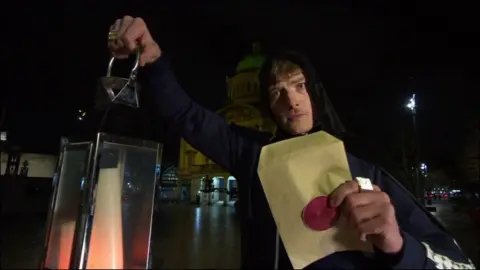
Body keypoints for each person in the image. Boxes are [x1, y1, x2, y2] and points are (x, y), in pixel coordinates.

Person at [107, 16, 476, 269]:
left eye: (299, 86)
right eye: (276, 92)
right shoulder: (255, 154)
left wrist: (397, 244)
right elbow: (188, 116)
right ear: (268, 107)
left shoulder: (364, 163)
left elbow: (456, 262)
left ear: (315, 92)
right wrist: (151, 58)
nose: (291, 101)